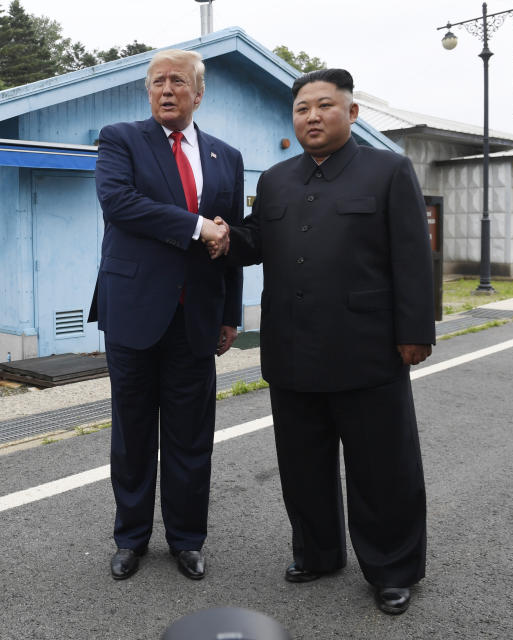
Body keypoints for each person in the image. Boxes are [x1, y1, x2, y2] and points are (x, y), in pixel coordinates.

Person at [221, 68, 434, 614]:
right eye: (301, 109)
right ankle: (317, 553)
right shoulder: (276, 179)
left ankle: (392, 568)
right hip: (292, 349)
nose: (312, 117)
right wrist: (216, 235)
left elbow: (413, 256)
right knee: (302, 464)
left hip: (368, 348)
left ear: (351, 113)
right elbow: (255, 241)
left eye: (324, 106)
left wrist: (414, 330)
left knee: (383, 467)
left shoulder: (387, 170)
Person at [88, 49, 243, 582]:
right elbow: (119, 204)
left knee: (190, 435)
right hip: (133, 311)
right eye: (158, 81)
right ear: (148, 92)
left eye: (178, 81)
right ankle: (130, 538)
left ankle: (187, 540)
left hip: (197, 316)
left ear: (198, 94)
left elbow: (233, 241)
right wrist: (199, 227)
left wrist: (230, 313)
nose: (167, 89)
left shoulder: (227, 156)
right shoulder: (120, 139)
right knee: (132, 433)